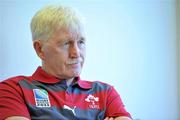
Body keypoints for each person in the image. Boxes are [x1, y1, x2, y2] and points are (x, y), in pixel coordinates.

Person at [0, 5, 132, 120]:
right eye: (66, 43)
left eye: (81, 42)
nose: (76, 53)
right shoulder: (13, 90)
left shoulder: (106, 93)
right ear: (40, 49)